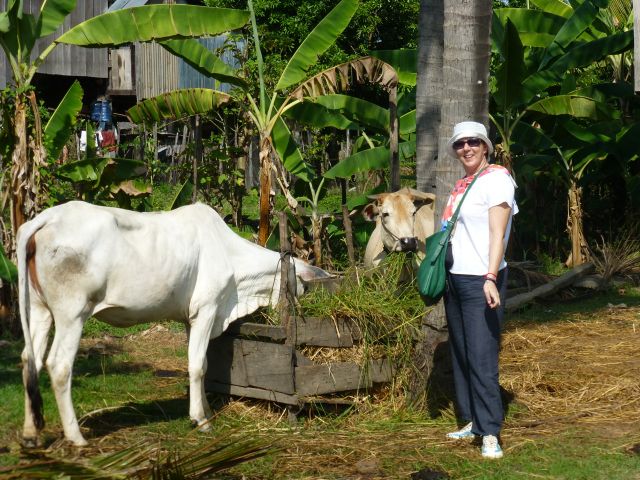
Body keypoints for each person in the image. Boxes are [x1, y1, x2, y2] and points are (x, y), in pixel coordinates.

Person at [441, 121, 518, 459]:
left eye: (473, 142)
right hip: (455, 277)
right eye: (460, 144)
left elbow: (497, 235)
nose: (466, 148)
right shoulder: (462, 184)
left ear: (486, 146)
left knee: (482, 354)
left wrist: (489, 277)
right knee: (460, 351)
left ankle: (491, 433)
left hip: (480, 279)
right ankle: (472, 420)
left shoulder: (497, 179)